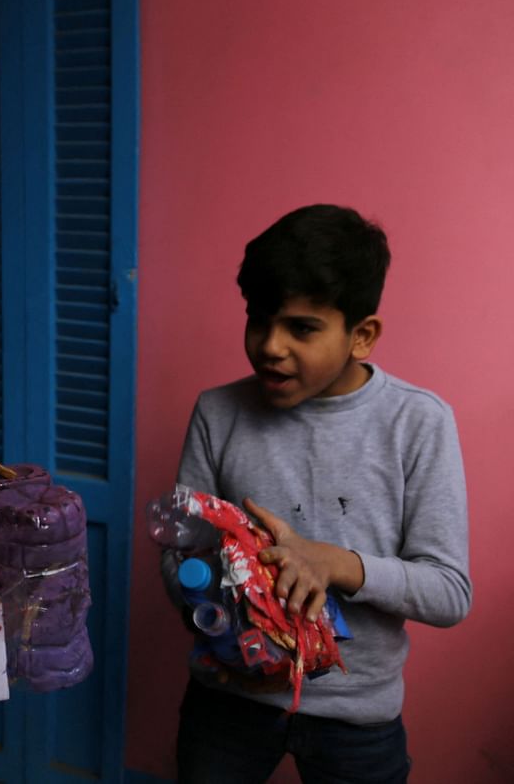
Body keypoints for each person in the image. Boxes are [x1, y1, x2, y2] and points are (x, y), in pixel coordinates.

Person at [171, 204, 471, 784]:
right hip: (229, 700)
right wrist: (230, 633)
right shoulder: (218, 412)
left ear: (362, 335)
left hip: (357, 717)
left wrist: (335, 564)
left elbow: (449, 591)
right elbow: (177, 555)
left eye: (302, 328)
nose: (270, 346)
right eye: (259, 319)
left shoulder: (419, 423)